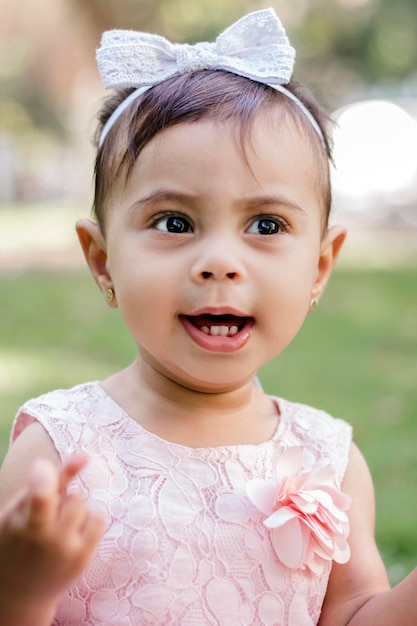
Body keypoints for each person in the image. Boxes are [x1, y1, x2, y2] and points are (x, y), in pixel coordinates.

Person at [0, 7, 415, 626]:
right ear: (103, 260)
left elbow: (353, 614)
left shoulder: (328, 458)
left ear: (320, 267)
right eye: (175, 223)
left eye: (266, 225)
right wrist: (20, 590)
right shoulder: (58, 452)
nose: (219, 261)